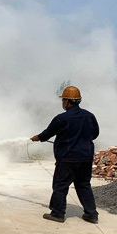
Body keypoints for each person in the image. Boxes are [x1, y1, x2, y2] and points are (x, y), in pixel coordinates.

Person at [31, 86, 100, 224]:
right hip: (86, 157)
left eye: (63, 100)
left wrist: (37, 138)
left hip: (68, 158)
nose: (63, 103)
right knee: (83, 184)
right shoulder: (89, 116)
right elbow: (95, 134)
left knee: (60, 185)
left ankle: (57, 214)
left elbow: (47, 133)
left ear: (68, 101)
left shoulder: (62, 118)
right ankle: (92, 214)